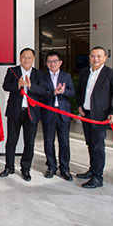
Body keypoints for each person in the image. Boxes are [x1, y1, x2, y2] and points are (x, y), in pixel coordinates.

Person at [76, 46, 113, 188]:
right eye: (93, 56)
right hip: (86, 114)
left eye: (99, 56)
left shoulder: (112, 74)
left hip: (101, 116)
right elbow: (80, 91)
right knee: (90, 144)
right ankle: (92, 170)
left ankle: (98, 177)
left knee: (98, 146)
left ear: (104, 58)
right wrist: (80, 105)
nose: (95, 59)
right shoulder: (84, 72)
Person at [0, 48, 44, 181]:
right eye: (24, 57)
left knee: (29, 143)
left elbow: (42, 91)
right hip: (15, 111)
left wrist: (30, 87)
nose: (26, 60)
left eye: (29, 58)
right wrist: (18, 85)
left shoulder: (38, 74)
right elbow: (5, 86)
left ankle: (25, 169)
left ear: (33, 59)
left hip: (31, 113)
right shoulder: (12, 71)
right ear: (20, 58)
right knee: (11, 141)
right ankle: (9, 167)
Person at [39, 51, 75, 181]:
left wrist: (63, 91)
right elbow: (41, 94)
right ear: (46, 63)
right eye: (49, 61)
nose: (52, 64)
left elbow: (72, 93)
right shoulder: (42, 77)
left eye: (54, 61)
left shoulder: (66, 76)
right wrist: (53, 92)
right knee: (49, 142)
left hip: (63, 113)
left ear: (60, 62)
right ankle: (51, 167)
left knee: (64, 142)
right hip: (48, 113)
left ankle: (65, 169)